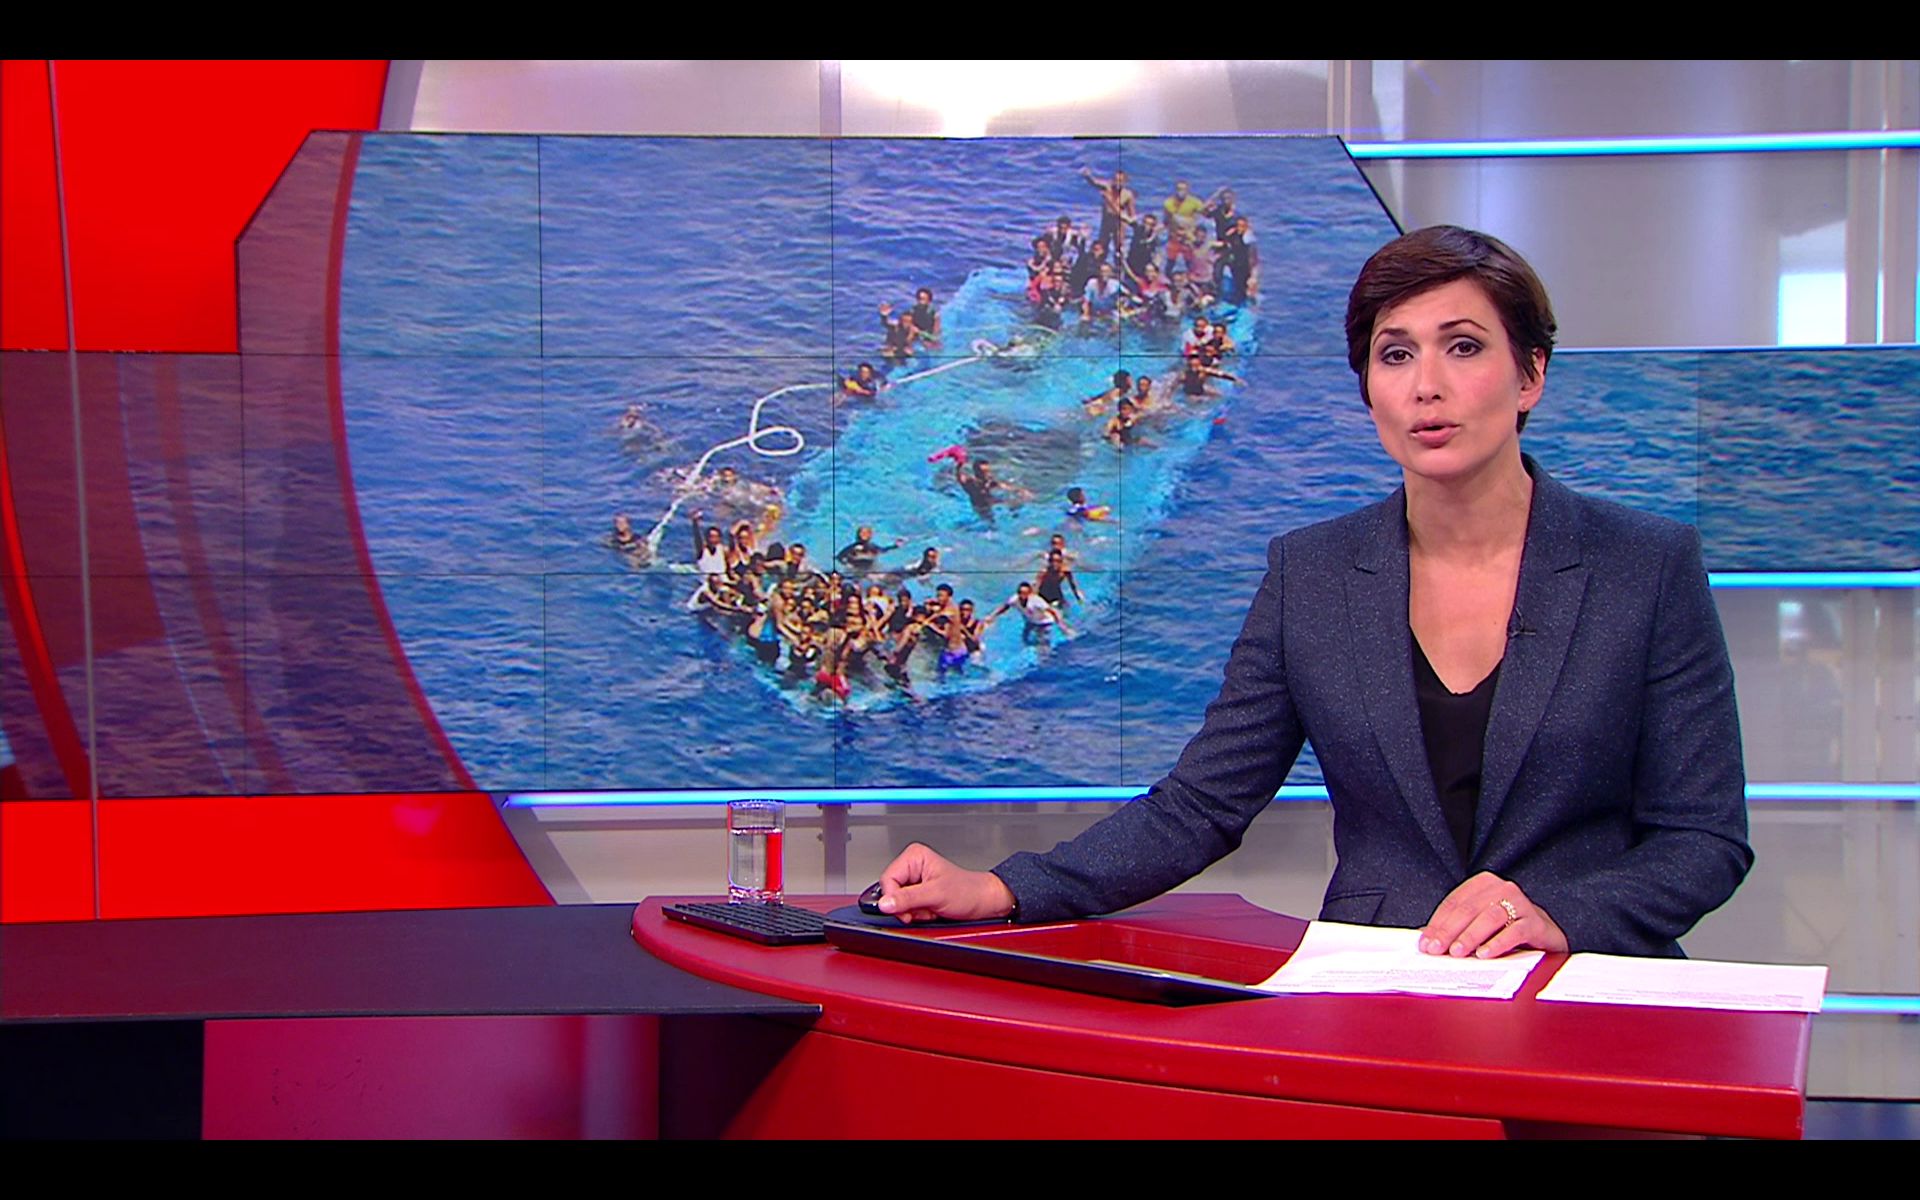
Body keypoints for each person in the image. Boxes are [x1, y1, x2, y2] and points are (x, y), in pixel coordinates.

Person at [869, 224, 1753, 963]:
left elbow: (1703, 839)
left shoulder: (1645, 566)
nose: (1427, 385)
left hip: (1590, 989)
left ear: (1530, 375)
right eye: (1395, 354)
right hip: (1379, 989)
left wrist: (1560, 914)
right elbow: (1202, 804)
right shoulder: (1313, 575)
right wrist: (1005, 887)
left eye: (1464, 347)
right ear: (1369, 389)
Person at [1079, 166, 1137, 259]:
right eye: (1115, 180)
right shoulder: (1107, 188)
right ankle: (1100, 264)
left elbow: (1132, 213)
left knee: (1119, 248)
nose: (1117, 182)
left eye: (1120, 181)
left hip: (1119, 224)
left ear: (1125, 182)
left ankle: (1119, 265)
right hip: (1106, 222)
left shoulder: (1128, 195)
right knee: (1102, 245)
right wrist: (1087, 176)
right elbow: (1094, 183)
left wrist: (1132, 222)